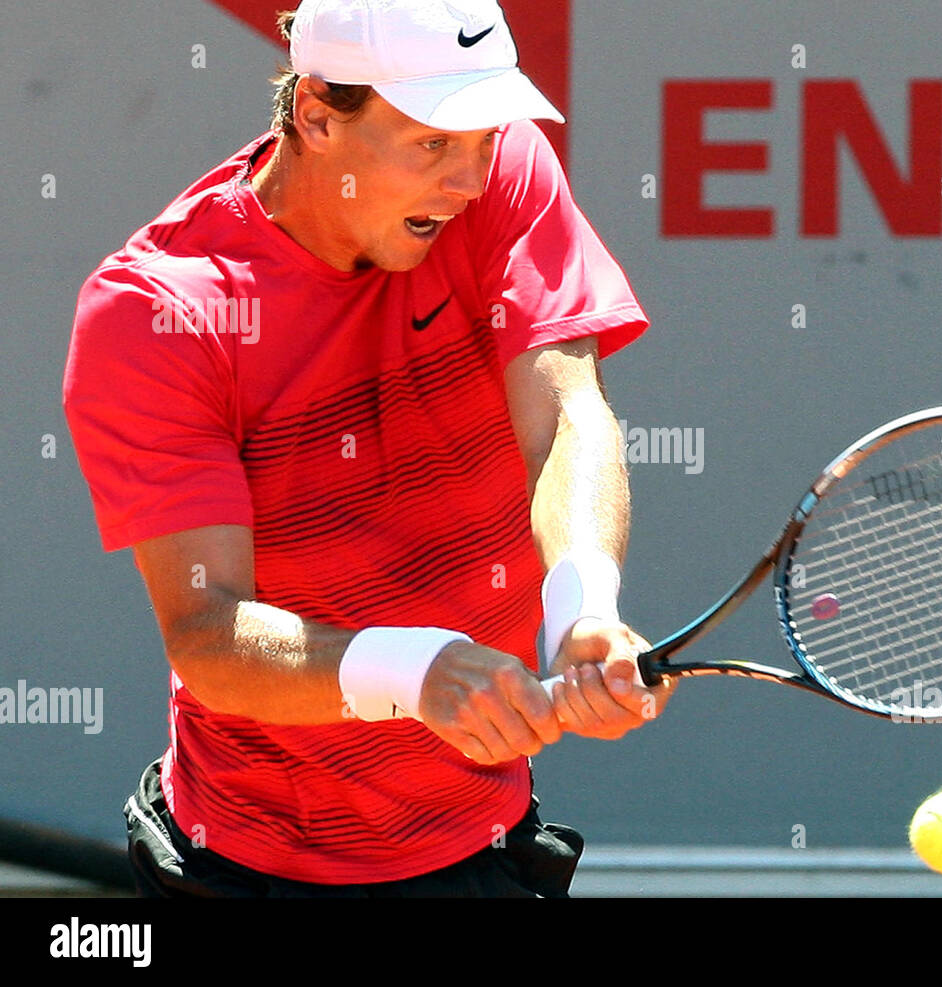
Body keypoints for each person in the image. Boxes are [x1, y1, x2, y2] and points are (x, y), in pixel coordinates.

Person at [62, 0, 671, 897]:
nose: (468, 177)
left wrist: (581, 606)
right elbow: (208, 630)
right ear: (314, 112)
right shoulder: (159, 313)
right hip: (242, 869)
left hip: (482, 852)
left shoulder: (500, 172)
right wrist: (416, 670)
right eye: (431, 142)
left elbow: (565, 415)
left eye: (482, 135)